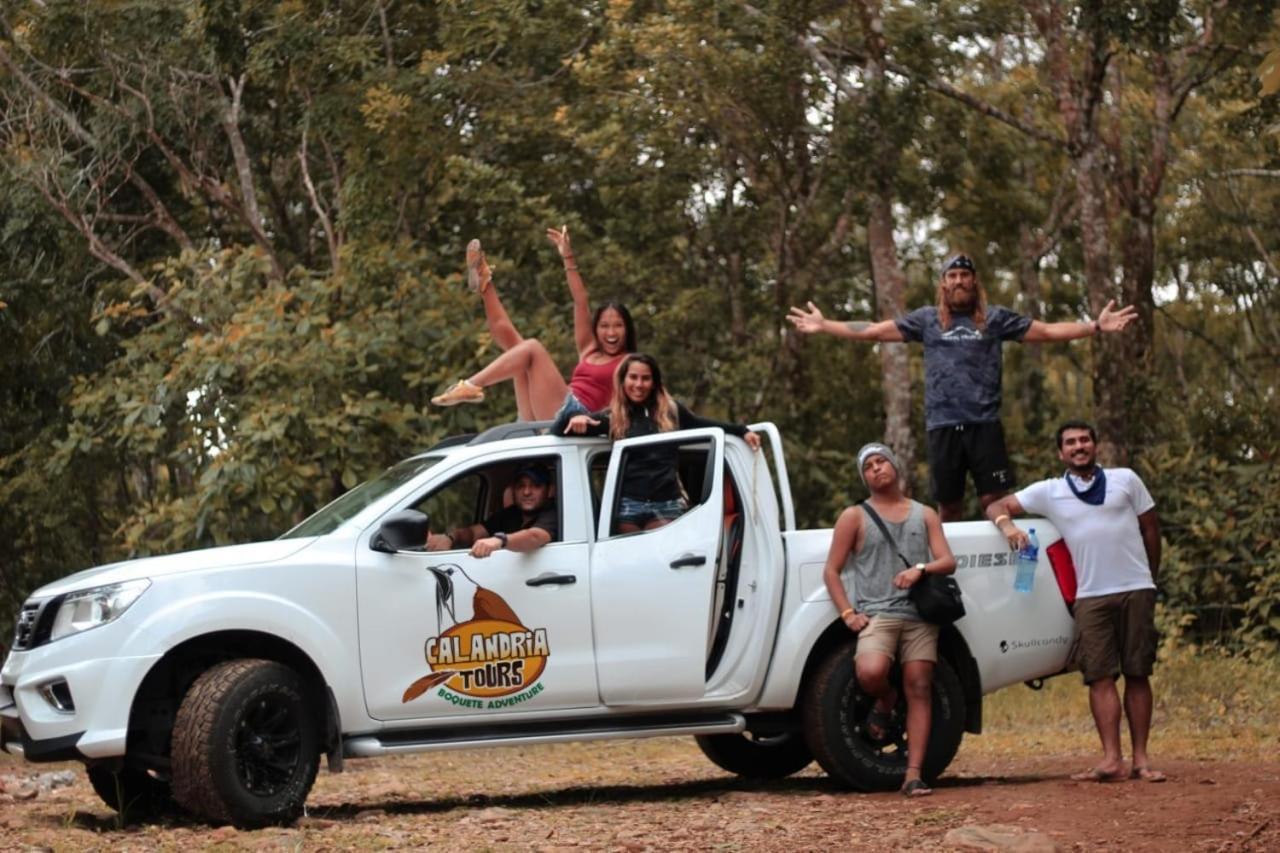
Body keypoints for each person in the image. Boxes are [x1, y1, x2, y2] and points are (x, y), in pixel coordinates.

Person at [787, 252, 1139, 521]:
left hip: (983, 423)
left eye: (964, 276)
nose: (958, 281)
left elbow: (1045, 332)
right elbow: (876, 331)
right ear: (943, 283)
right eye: (952, 276)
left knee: (995, 500)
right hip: (942, 424)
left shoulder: (994, 319)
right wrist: (825, 325)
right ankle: (949, 571)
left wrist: (1094, 326)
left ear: (974, 282)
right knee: (948, 504)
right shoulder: (927, 320)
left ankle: (1006, 556)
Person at [984, 420, 1164, 783]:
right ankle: (1112, 759)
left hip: (1136, 587)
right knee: (1099, 675)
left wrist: (1150, 578)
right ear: (1060, 452)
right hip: (1090, 596)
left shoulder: (1125, 479)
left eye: (1084, 440)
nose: (1078, 446)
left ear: (1095, 446)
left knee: (1138, 672)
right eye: (1070, 442)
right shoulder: (1049, 491)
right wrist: (1009, 527)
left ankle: (1141, 760)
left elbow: (1151, 527)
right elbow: (996, 504)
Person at [820, 442, 957, 797]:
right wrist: (847, 613)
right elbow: (832, 571)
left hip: (919, 615)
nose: (877, 469)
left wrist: (920, 570)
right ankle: (885, 699)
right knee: (870, 671)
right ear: (864, 477)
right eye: (869, 466)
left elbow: (947, 560)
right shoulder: (854, 516)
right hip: (878, 613)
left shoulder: (924, 513)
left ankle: (913, 775)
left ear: (895, 467)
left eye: (882, 462)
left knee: (921, 685)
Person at [432, 227, 636, 421]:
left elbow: (644, 398)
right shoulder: (589, 349)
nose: (611, 332)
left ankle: (470, 385)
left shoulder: (629, 362)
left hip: (575, 417)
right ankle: (485, 283)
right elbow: (580, 301)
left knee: (532, 349)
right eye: (605, 326)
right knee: (517, 350)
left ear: (627, 329)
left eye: (618, 326)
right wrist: (567, 256)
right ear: (596, 330)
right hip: (547, 411)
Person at [560, 353, 761, 532]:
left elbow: (704, 425)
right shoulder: (613, 417)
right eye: (633, 377)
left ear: (654, 383)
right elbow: (559, 430)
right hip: (627, 506)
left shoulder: (671, 412)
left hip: (667, 505)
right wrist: (575, 416)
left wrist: (741, 431)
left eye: (645, 378)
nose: (639, 384)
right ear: (623, 380)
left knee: (661, 562)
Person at [425, 464, 558, 558]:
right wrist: (450, 537)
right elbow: (474, 533)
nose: (527, 492)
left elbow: (535, 536)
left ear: (549, 490)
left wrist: (499, 541)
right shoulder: (511, 513)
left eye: (536, 486)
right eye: (520, 486)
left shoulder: (554, 513)